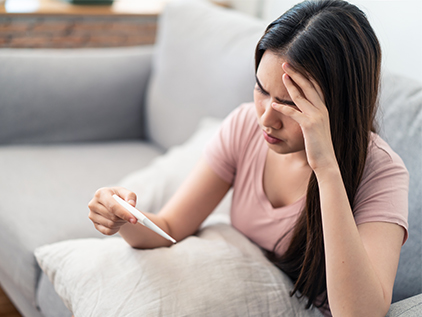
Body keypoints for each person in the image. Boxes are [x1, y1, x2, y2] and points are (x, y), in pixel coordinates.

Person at [88, 0, 409, 316]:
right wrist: (123, 217)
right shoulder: (245, 126)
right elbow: (170, 226)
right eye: (261, 90)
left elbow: (359, 314)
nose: (267, 119)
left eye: (289, 104)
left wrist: (326, 169)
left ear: (339, 104)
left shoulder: (381, 172)